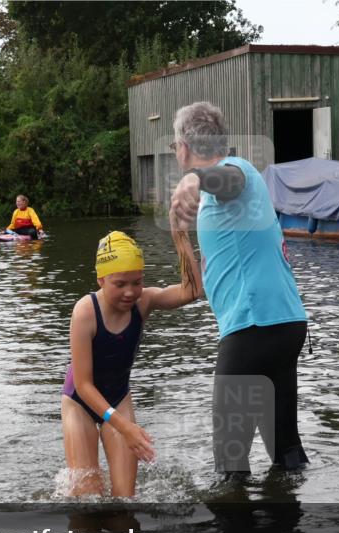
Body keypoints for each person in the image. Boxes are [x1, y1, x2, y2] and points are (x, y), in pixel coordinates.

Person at [168, 101, 310, 475]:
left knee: (230, 463)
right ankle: (294, 528)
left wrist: (195, 179)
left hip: (253, 329)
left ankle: (235, 532)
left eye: (173, 145)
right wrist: (178, 236)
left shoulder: (236, 173)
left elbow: (228, 180)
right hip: (282, 324)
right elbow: (197, 287)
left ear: (183, 145)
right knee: (287, 451)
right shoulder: (217, 204)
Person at [62, 230, 201, 497]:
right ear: (101, 279)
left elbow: (191, 291)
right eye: (120, 284)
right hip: (81, 402)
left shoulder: (143, 302)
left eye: (137, 282)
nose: (130, 292)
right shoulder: (85, 311)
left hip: (118, 397)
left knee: (125, 500)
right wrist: (125, 428)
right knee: (88, 497)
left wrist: (181, 236)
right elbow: (83, 384)